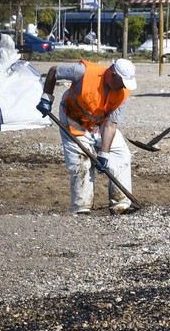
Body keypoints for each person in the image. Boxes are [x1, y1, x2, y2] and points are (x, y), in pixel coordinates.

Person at [36, 59, 137, 215]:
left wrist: (104, 153)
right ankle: (81, 207)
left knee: (121, 156)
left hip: (100, 123)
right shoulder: (82, 71)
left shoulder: (123, 93)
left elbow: (111, 124)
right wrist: (46, 97)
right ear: (113, 74)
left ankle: (121, 204)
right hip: (74, 119)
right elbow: (53, 71)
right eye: (122, 82)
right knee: (81, 163)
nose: (124, 86)